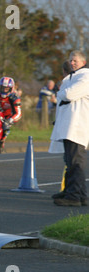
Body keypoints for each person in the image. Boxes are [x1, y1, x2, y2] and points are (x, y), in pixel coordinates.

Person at [49, 50, 89, 207]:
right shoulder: (75, 77)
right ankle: (81, 195)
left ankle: (73, 196)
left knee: (75, 162)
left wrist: (61, 92)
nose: (72, 63)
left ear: (83, 63)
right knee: (70, 161)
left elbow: (69, 95)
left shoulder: (85, 77)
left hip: (76, 127)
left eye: (76, 61)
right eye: (71, 60)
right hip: (69, 127)